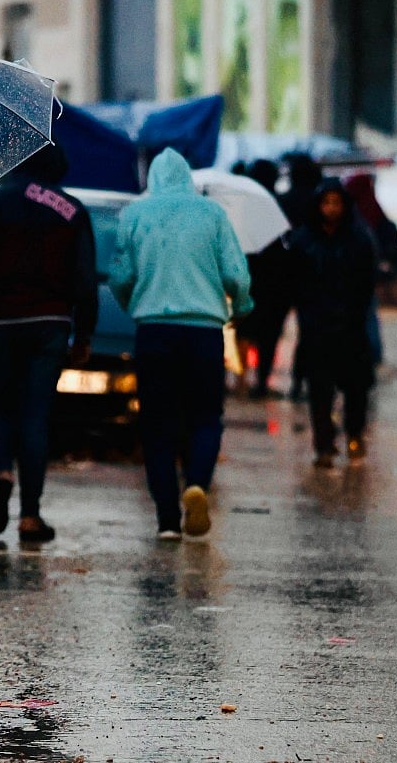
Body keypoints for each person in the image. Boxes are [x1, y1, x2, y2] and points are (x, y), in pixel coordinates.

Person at [109, 148, 253, 540]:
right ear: (188, 177)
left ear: (153, 178)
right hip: (204, 331)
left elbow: (120, 276)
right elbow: (236, 275)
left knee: (156, 425)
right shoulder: (212, 214)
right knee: (206, 416)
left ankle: (168, 520)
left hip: (154, 332)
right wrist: (241, 307)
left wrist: (135, 305)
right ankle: (196, 484)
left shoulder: (136, 215)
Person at [0, 142, 97, 543]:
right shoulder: (71, 210)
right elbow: (85, 280)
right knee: (35, 414)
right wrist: (84, 333)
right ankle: (30, 516)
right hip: (50, 323)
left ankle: (2, 472)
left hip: (1, 321)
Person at [285, 178, 377, 468]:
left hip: (350, 326)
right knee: (320, 390)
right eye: (326, 203)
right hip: (317, 328)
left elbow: (366, 282)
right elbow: (294, 283)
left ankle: (354, 434)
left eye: (336, 203)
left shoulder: (359, 240)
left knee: (355, 388)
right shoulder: (304, 241)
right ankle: (324, 445)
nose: (331, 209)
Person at [237, 159, 293, 399]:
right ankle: (260, 381)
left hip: (247, 279)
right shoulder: (278, 206)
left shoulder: (241, 206)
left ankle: (240, 380)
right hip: (274, 284)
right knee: (267, 336)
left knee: (244, 332)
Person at [344, 172, 397, 367]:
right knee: (369, 314)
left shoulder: (352, 216)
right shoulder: (374, 212)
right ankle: (372, 354)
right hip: (369, 275)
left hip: (356, 275)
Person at [278, 153, 324, 400]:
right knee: (308, 335)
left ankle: (268, 378)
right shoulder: (318, 202)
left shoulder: (284, 201)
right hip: (311, 278)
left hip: (284, 275)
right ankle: (301, 381)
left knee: (274, 328)